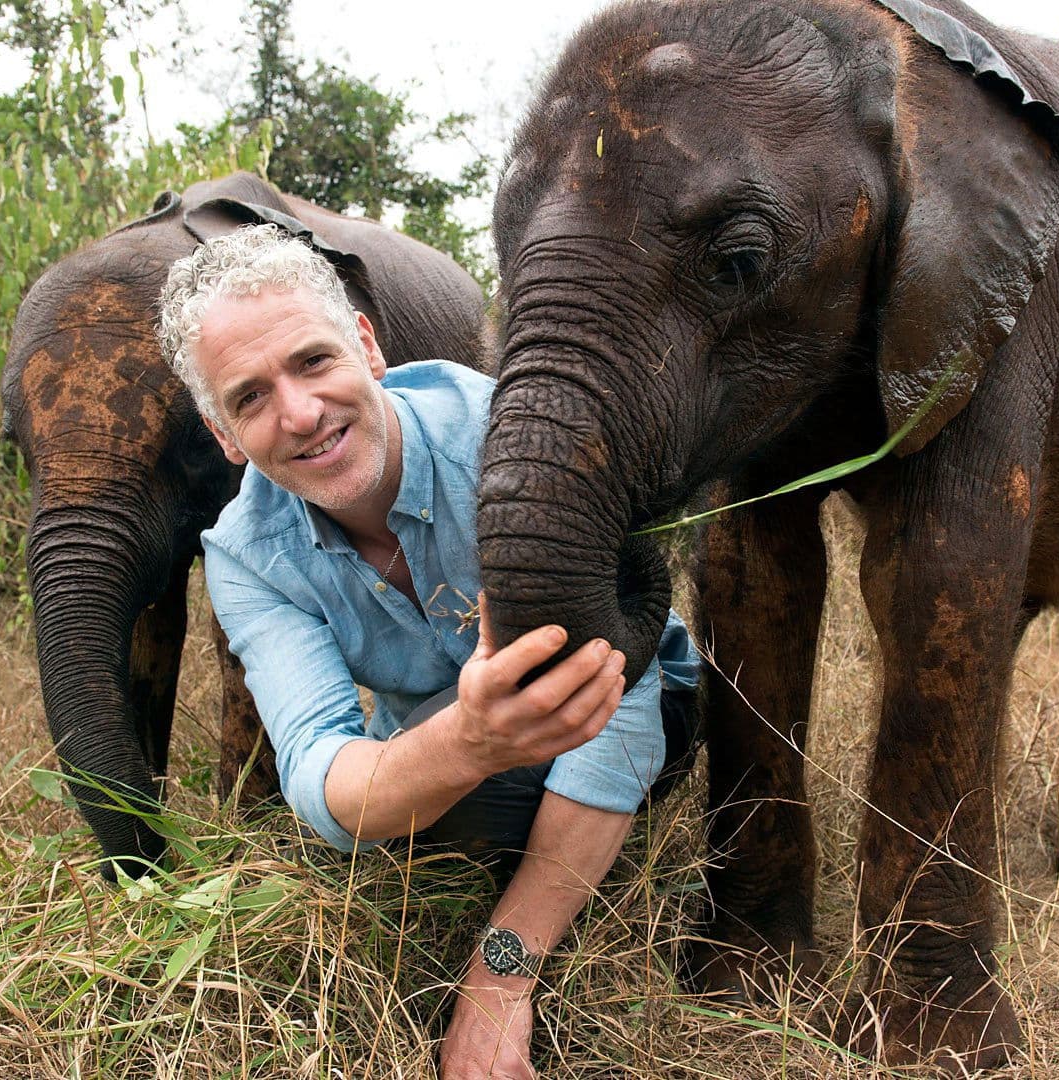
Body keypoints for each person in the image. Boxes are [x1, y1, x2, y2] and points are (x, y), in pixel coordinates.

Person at [157, 224, 700, 1080]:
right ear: (224, 435)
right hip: (457, 748)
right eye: (250, 399)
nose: (300, 414)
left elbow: (617, 690)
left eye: (312, 362)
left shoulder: (509, 440)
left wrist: (500, 978)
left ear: (368, 346)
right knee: (401, 840)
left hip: (633, 704)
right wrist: (470, 744)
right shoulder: (244, 554)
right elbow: (321, 779)